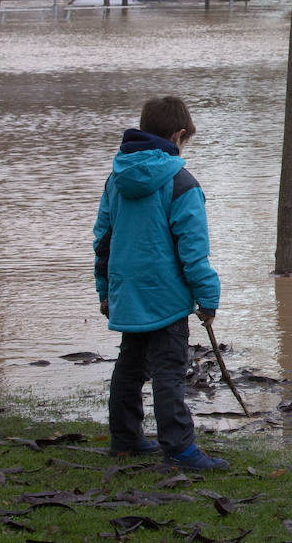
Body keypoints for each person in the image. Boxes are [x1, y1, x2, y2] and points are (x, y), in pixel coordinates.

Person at [93, 95, 227, 470]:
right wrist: (208, 299)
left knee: (130, 366)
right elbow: (194, 251)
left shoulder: (115, 178)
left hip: (128, 293)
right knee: (169, 371)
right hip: (167, 298)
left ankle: (124, 439)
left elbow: (102, 239)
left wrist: (104, 290)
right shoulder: (182, 183)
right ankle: (180, 449)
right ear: (178, 135)